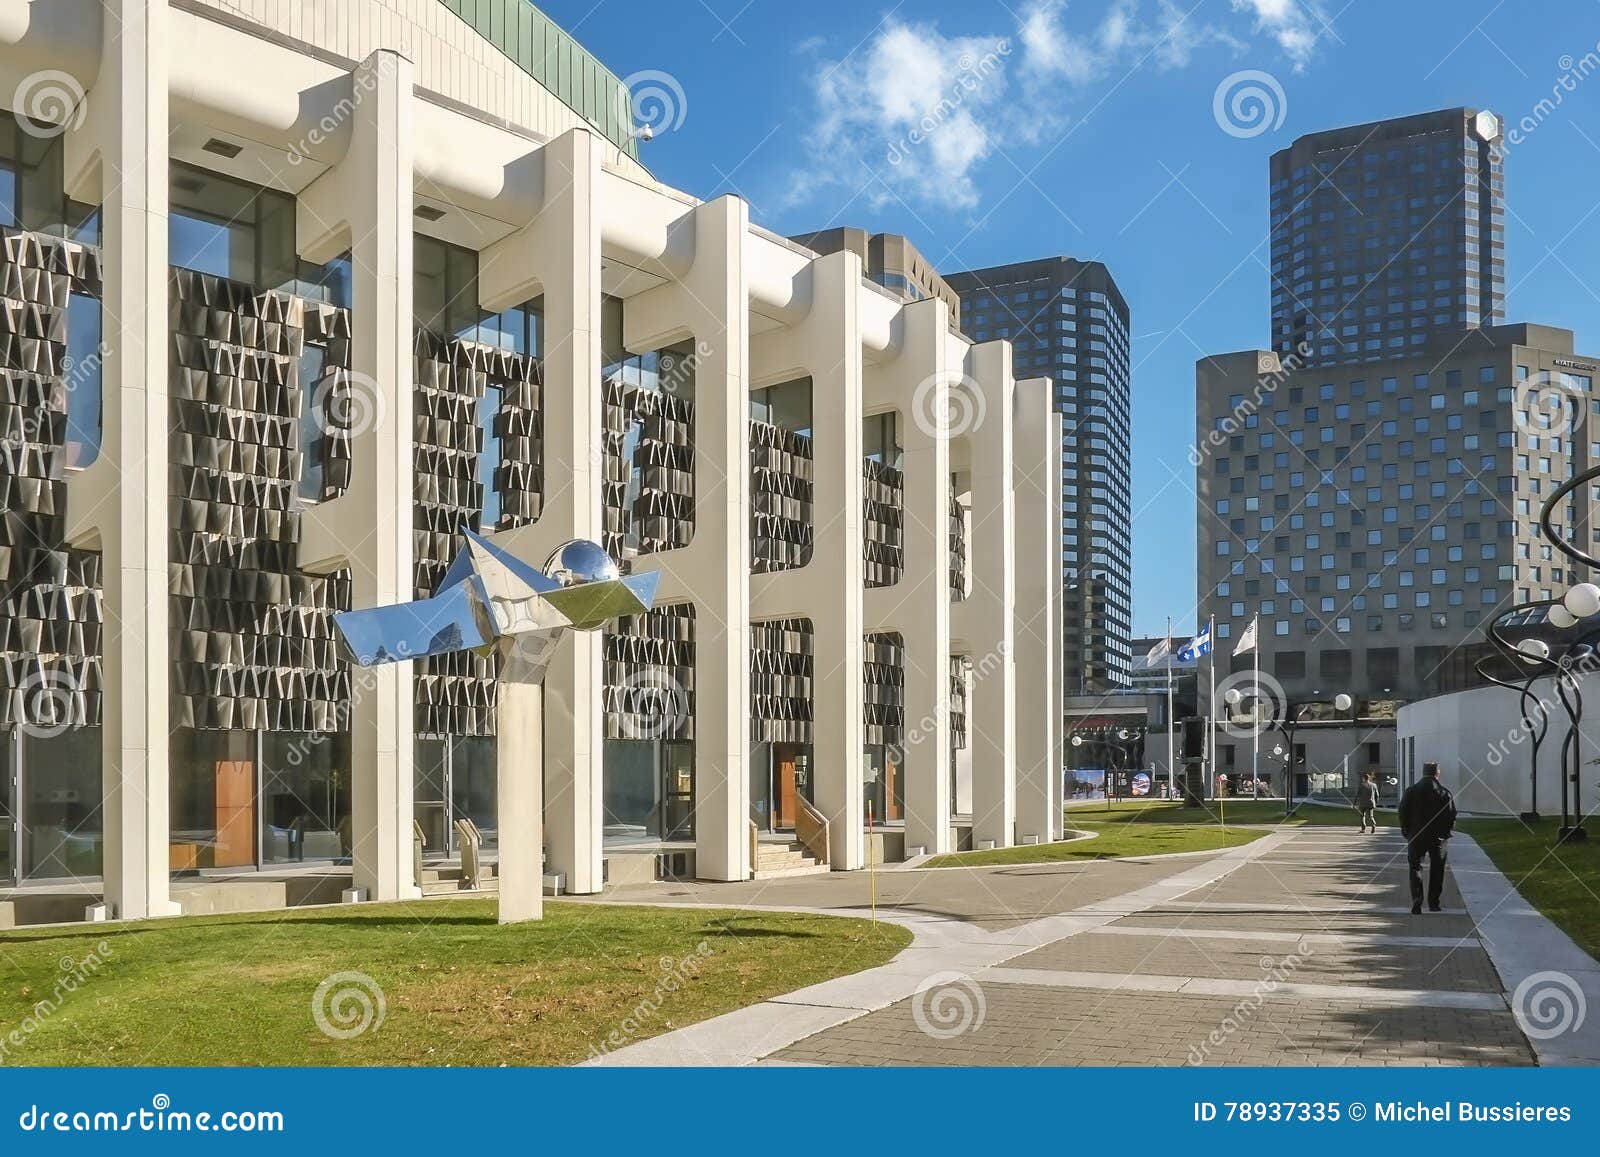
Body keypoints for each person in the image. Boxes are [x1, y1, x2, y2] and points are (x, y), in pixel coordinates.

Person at [1397, 761, 1457, 914]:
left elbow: (1403, 811)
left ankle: (1417, 899)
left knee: (1415, 867)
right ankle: (1433, 902)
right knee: (1437, 869)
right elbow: (1451, 815)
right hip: (1438, 837)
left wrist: (1406, 829)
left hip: (1416, 835)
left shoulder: (1411, 791)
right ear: (1437, 773)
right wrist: (1447, 832)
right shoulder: (1444, 792)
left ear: (1423, 772)